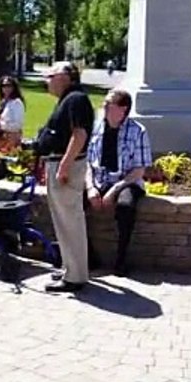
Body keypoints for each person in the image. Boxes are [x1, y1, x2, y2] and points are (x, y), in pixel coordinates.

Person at [36, 61, 95, 293]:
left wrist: (64, 166)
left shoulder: (76, 99)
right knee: (64, 222)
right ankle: (70, 268)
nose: (47, 81)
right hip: (61, 164)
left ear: (66, 77)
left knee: (70, 222)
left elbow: (79, 135)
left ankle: (75, 277)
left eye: (51, 76)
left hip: (66, 168)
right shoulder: (68, 99)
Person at [85, 88, 152, 276]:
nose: (104, 107)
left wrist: (115, 189)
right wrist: (90, 187)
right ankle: (88, 256)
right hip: (99, 179)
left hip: (126, 180)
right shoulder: (96, 128)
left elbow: (139, 170)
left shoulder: (138, 131)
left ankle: (121, 259)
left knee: (125, 206)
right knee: (72, 203)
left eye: (109, 104)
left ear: (123, 109)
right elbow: (87, 162)